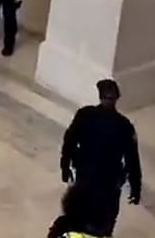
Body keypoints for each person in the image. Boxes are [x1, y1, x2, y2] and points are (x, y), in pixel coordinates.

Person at [59, 79, 142, 235]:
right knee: (99, 217)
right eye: (108, 97)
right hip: (99, 178)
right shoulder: (123, 125)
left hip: (99, 178)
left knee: (95, 216)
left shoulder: (87, 116)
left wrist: (65, 165)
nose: (110, 101)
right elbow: (69, 141)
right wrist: (135, 186)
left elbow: (132, 158)